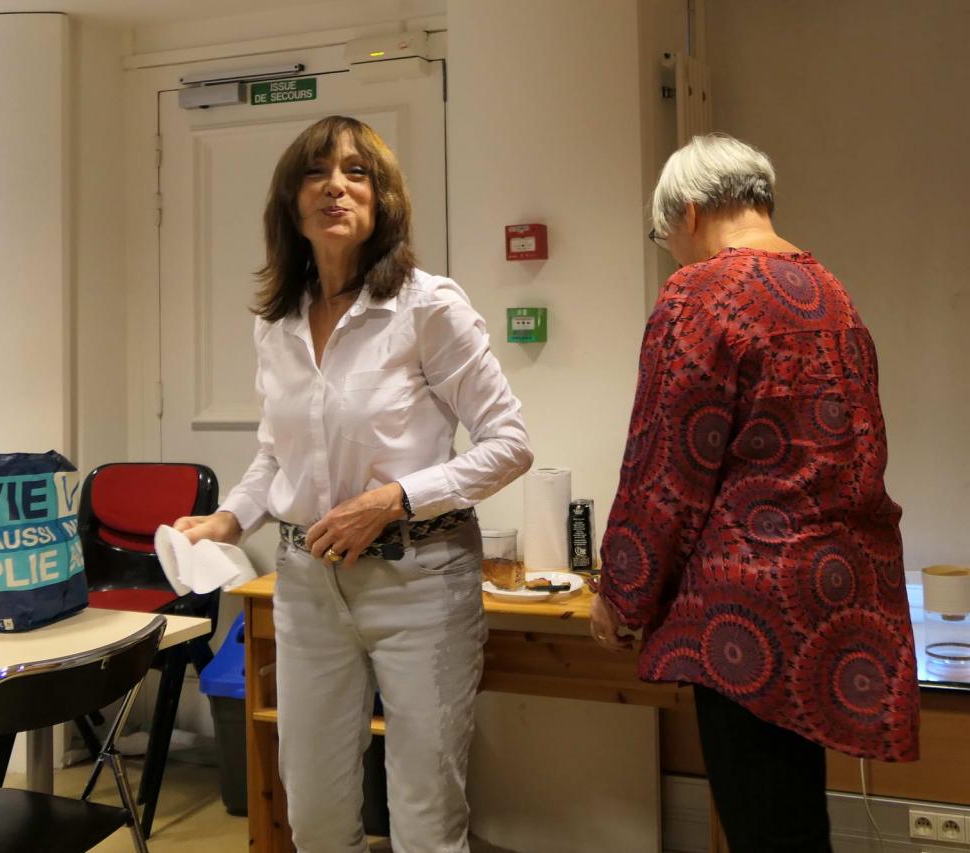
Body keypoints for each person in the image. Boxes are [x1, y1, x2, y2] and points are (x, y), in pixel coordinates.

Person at [173, 115, 532, 852]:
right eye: (316, 172)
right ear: (291, 202)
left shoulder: (428, 307)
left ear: (383, 198)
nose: (335, 186)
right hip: (307, 584)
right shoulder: (278, 322)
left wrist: (394, 499)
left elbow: (510, 445)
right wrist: (229, 520)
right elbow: (275, 452)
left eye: (355, 172)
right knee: (315, 814)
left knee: (424, 817)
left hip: (420, 579)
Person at [592, 134, 919, 852]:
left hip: (748, 609)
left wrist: (622, 592)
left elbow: (665, 465)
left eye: (666, 239)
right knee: (794, 819)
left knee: (765, 826)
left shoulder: (698, 293)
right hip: (837, 591)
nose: (672, 256)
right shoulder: (830, 292)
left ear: (689, 212)